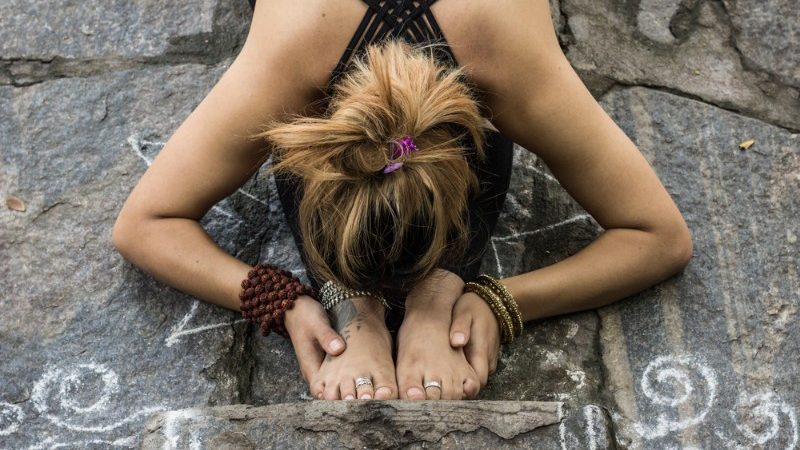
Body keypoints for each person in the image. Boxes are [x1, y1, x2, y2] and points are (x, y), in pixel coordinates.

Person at [112, 0, 693, 402]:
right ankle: (353, 298)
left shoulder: (507, 58)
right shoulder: (288, 59)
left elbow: (659, 237)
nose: (393, 302)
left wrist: (490, 301)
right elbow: (143, 224)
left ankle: (433, 291)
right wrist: (290, 303)